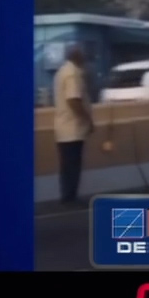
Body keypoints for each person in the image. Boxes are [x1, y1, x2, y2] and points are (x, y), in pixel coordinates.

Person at [53, 45, 94, 205]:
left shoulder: (62, 71)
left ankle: (67, 195)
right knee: (72, 164)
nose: (84, 59)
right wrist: (87, 119)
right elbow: (73, 99)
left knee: (67, 164)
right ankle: (70, 197)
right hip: (73, 127)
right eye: (83, 56)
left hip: (63, 127)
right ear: (77, 57)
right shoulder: (72, 74)